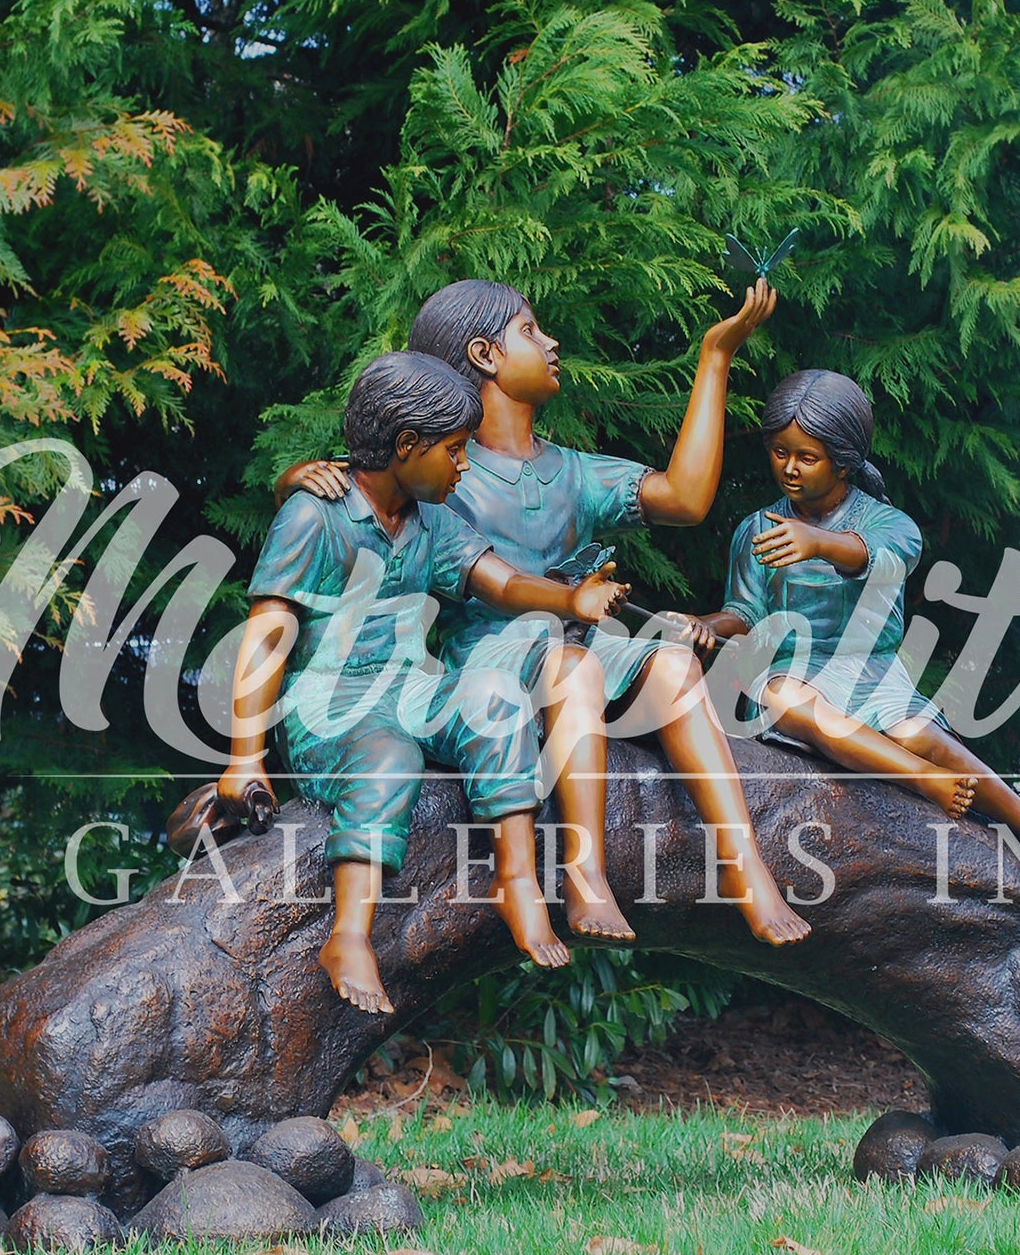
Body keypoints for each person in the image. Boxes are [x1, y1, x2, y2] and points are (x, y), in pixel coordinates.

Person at [277, 278, 811, 948]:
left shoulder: (572, 472)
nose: (551, 342)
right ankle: (582, 871)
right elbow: (367, 488)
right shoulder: (442, 469)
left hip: (575, 640)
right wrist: (298, 476)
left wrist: (714, 357)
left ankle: (745, 868)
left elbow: (683, 497)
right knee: (568, 661)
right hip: (493, 659)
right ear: (485, 353)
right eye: (530, 331)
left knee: (673, 665)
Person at [219, 352, 628, 1015]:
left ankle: (517, 876)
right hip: (333, 706)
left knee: (490, 693)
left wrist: (569, 600)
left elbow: (497, 581)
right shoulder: (314, 515)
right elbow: (268, 633)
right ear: (405, 445)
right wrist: (244, 755)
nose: (463, 464)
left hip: (412, 687)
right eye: (454, 450)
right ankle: (348, 936)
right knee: (390, 754)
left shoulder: (429, 519)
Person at [693, 369, 1020, 903]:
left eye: (806, 457)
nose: (789, 468)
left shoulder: (890, 523)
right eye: (779, 452)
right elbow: (744, 609)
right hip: (793, 669)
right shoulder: (757, 528)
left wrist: (819, 542)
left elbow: (881, 560)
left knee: (915, 731)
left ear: (844, 460)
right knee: (783, 698)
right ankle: (922, 779)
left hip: (870, 669)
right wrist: (707, 626)